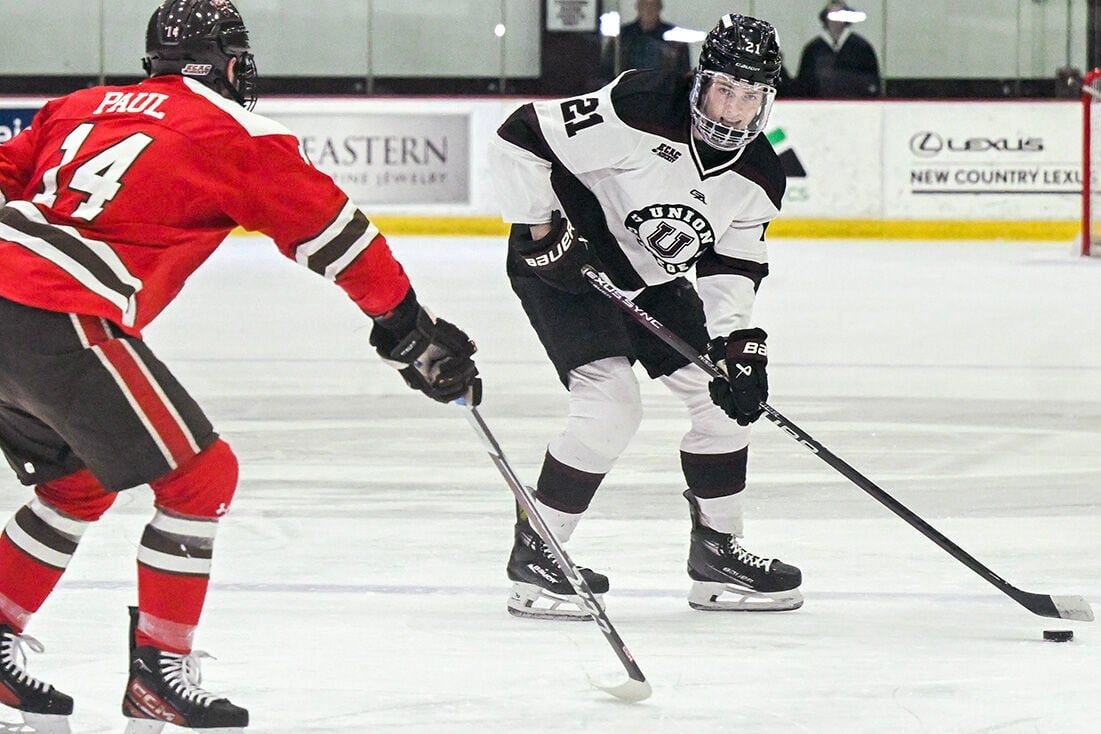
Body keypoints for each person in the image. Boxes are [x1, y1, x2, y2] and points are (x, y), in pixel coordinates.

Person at [0, 1, 480, 731]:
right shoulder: (236, 132)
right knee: (201, 476)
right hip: (55, 313)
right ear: (229, 60)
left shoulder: (80, 105)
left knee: (80, 481)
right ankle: (160, 670)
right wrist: (408, 330)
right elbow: (337, 236)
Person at [488, 13, 802, 621]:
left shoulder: (761, 174)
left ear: (768, 100)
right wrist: (540, 230)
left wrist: (737, 343)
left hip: (652, 281)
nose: (732, 110)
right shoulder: (638, 105)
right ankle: (538, 554)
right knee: (611, 406)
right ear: (700, 81)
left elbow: (732, 265)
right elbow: (521, 134)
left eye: (750, 96)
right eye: (723, 90)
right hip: (567, 267)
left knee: (725, 399)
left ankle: (718, 552)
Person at [795, 1, 881, 98]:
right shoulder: (813, 49)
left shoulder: (862, 48)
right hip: (819, 107)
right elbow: (803, 86)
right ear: (825, 18)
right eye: (832, 15)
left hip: (855, 106)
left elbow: (872, 84)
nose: (836, 21)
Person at [601, 0, 691, 81]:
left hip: (663, 93)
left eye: (653, 6)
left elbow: (683, 73)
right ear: (638, 7)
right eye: (645, 5)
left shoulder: (674, 37)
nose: (649, 10)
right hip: (628, 91)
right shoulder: (622, 36)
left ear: (660, 7)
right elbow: (607, 69)